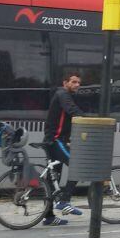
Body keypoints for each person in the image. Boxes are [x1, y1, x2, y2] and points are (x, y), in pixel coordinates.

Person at [41, 73, 86, 225]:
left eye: (79, 83)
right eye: (74, 82)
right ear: (65, 82)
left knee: (53, 179)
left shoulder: (63, 94)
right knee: (77, 166)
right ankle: (64, 201)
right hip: (55, 141)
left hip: (53, 141)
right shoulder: (63, 94)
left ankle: (49, 217)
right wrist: (92, 120)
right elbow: (72, 110)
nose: (77, 85)